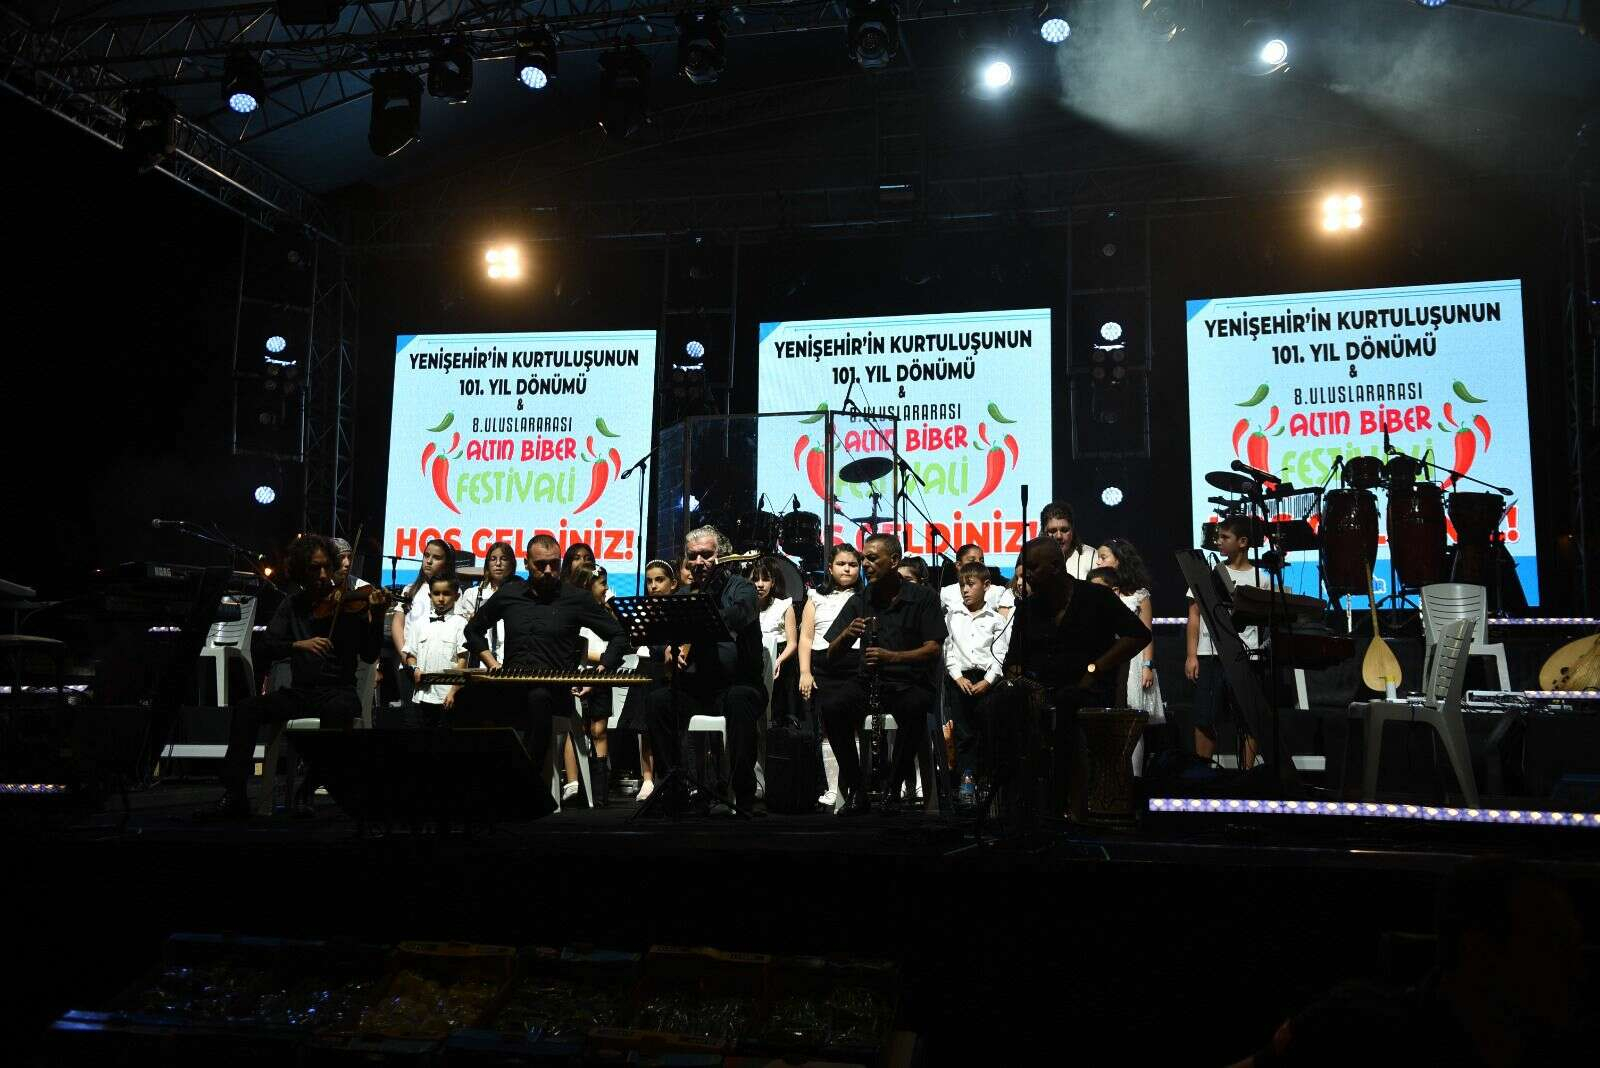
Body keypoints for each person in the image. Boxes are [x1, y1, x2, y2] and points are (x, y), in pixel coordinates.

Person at [1230, 857, 1586, 1068]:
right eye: (1551, 945)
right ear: (1480, 950)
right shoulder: (1348, 1023)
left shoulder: (1348, 1021)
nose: (1574, 966)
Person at [198, 535, 388, 820]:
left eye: (327, 567)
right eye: (314, 568)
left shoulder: (350, 606)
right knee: (247, 709)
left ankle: (307, 790)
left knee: (338, 713)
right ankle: (235, 794)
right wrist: (298, 645)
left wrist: (378, 615)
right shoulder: (292, 604)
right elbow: (265, 647)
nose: (323, 575)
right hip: (301, 691)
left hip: (338, 690)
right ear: (301, 571)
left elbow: (370, 655)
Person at [460, 535, 628, 802]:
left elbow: (619, 635)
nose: (549, 570)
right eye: (541, 565)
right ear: (526, 563)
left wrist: (601, 670)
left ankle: (523, 789)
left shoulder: (576, 598)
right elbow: (473, 630)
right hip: (512, 685)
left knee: (537, 699)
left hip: (555, 691)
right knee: (464, 700)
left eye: (554, 564)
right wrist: (491, 662)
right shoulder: (510, 594)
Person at [1002, 537, 1152, 813]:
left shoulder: (1096, 597)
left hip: (1089, 689)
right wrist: (1020, 681)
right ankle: (1012, 804)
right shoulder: (1028, 608)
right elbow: (1013, 661)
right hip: (1042, 693)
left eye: (1034, 567)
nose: (1028, 575)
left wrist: (1096, 668)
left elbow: (1138, 635)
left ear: (1056, 566)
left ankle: (1069, 806)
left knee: (1067, 706)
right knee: (999, 706)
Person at [819, 533, 948, 815]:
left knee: (914, 707)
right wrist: (846, 635)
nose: (865, 564)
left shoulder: (923, 597)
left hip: (909, 681)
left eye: (872, 558)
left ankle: (893, 789)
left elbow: (933, 649)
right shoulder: (861, 599)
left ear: (894, 560)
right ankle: (857, 789)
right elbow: (831, 655)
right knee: (832, 707)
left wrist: (892, 657)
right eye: (863, 559)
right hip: (870, 682)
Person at [645, 526, 766, 813]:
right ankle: (673, 788)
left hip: (737, 685)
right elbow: (657, 637)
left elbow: (740, 615)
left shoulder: (742, 588)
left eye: (706, 555)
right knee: (658, 702)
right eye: (693, 556)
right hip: (696, 690)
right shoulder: (682, 595)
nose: (699, 562)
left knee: (739, 700)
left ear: (722, 556)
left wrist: (699, 615)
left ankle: (743, 794)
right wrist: (665, 649)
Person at [1185, 515, 1270, 768]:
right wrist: (1192, 655)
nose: (1218, 541)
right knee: (1204, 716)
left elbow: (1265, 620)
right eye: (1218, 537)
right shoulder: (1207, 574)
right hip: (1210, 655)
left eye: (1225, 537)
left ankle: (1247, 774)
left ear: (1242, 542)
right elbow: (1194, 615)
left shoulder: (1261, 577)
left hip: (1246, 656)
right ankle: (1202, 772)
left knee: (1248, 718)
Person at [799, 544, 864, 808]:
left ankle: (856, 787)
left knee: (848, 720)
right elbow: (806, 637)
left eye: (853, 564)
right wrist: (805, 671)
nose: (847, 569)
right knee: (831, 720)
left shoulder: (864, 597)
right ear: (830, 568)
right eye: (841, 564)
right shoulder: (816, 596)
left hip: (857, 667)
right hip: (824, 667)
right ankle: (845, 788)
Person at [1093, 539, 1164, 776]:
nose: (1098, 561)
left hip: (1133, 662)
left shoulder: (1139, 595)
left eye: (1103, 557)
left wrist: (1147, 665)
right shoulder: (1097, 590)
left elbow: (1147, 634)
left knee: (1131, 721)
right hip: (1106, 660)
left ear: (1119, 560)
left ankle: (1134, 778)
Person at [943, 560, 1011, 801]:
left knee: (987, 730)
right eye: (962, 585)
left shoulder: (995, 619)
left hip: (986, 681)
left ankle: (987, 780)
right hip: (960, 680)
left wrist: (989, 680)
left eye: (971, 584)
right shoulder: (952, 616)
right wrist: (957, 676)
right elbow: (948, 649)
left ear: (987, 585)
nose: (965, 590)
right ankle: (967, 778)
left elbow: (1000, 654)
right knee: (963, 731)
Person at [617, 559, 677, 801]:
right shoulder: (643, 611)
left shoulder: (679, 610)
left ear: (673, 583)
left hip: (669, 672)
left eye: (659, 580)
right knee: (643, 727)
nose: (653, 586)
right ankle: (647, 777)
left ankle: (667, 775)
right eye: (649, 581)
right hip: (648, 669)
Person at [390, 538, 455, 706]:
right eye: (426, 555)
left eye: (436, 557)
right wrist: (405, 656)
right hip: (410, 665)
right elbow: (398, 624)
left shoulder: (453, 593)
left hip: (439, 666)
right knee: (411, 715)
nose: (429, 561)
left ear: (447, 563)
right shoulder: (410, 590)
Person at [398, 574, 468, 729]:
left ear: (456, 596)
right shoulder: (420, 623)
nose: (441, 599)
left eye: (446, 594)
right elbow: (411, 654)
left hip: (447, 695)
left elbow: (462, 660)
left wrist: (453, 691)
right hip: (423, 695)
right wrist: (415, 668)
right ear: (430, 595)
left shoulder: (461, 624)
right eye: (436, 593)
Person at [751, 557, 799, 725]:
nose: (760, 584)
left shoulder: (784, 606)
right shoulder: (745, 606)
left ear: (773, 582)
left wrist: (777, 661)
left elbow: (792, 643)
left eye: (765, 579)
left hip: (780, 658)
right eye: (755, 579)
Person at [456, 540, 517, 663]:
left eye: (504, 559)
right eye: (493, 559)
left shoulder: (518, 594)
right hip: (481, 660)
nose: (498, 564)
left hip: (510, 658)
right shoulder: (472, 594)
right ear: (487, 564)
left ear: (511, 565)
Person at [938, 544, 1014, 615]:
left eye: (981, 561)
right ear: (958, 565)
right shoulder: (946, 592)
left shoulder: (997, 592)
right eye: (972, 560)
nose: (979, 564)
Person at [1040, 502, 1098, 580]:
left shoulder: (1092, 557)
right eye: (1053, 531)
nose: (1059, 536)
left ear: (1072, 530)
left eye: (1064, 530)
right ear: (1044, 531)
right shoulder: (1034, 560)